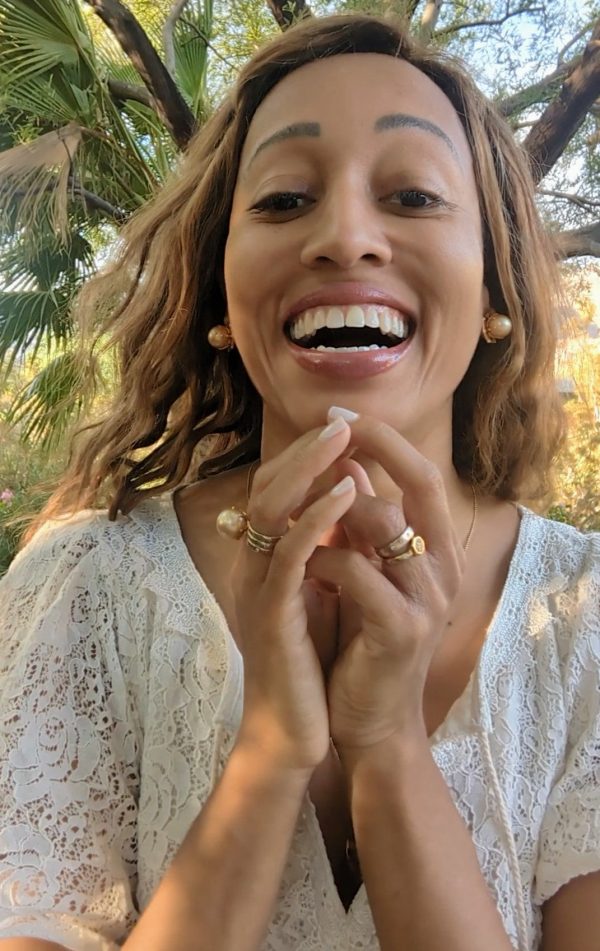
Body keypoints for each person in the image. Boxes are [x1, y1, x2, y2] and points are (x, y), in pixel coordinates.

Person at [0, 12, 598, 951]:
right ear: (221, 298)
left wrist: (390, 746)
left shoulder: (586, 618)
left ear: (494, 287)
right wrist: (270, 754)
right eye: (283, 200)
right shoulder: (83, 592)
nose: (346, 236)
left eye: (411, 195)